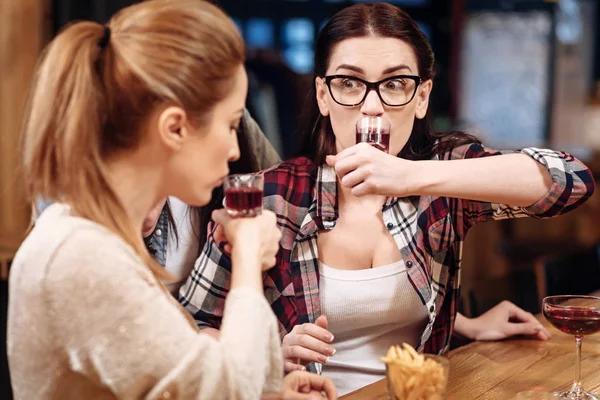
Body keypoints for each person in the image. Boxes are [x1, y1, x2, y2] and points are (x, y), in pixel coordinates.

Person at [178, 2, 595, 396]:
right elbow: (188, 330)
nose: (372, 107)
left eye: (395, 84)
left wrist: (412, 175)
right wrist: (268, 351)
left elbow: (571, 181)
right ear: (323, 95)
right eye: (349, 83)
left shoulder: (441, 182)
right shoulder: (268, 195)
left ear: (421, 98)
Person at [7, 1, 336, 399]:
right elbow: (225, 391)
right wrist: (249, 259)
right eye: (231, 125)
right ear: (175, 128)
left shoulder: (100, 239)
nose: (236, 150)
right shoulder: (80, 255)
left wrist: (270, 393)